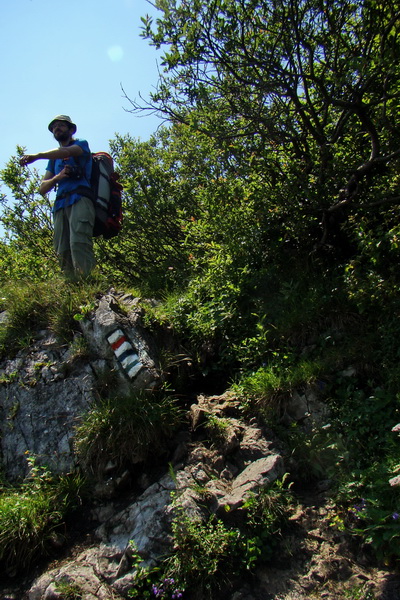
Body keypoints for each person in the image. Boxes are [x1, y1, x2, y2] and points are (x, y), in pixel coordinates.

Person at [19, 115, 95, 280]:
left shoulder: (81, 144)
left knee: (79, 242)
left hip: (80, 197)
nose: (57, 129)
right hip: (60, 204)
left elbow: (66, 151)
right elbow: (42, 188)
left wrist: (37, 155)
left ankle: (88, 285)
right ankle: (71, 289)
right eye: (54, 127)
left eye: (61, 126)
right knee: (62, 249)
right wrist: (58, 177)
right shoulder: (53, 162)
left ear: (71, 129)